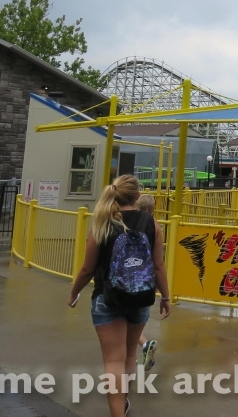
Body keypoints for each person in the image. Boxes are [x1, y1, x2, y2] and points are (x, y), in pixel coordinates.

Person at [69, 176, 170, 417]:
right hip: (140, 297)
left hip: (107, 297)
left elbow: (87, 268)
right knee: (129, 355)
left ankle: (117, 413)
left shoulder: (103, 222)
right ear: (137, 196)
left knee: (113, 361)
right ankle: (123, 402)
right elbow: (158, 266)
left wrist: (74, 293)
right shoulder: (152, 223)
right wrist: (165, 297)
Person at [134, 194, 158, 371]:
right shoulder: (156, 227)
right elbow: (159, 263)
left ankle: (133, 353)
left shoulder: (129, 223)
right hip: (146, 280)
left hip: (126, 279)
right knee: (135, 320)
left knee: (123, 324)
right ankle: (143, 345)